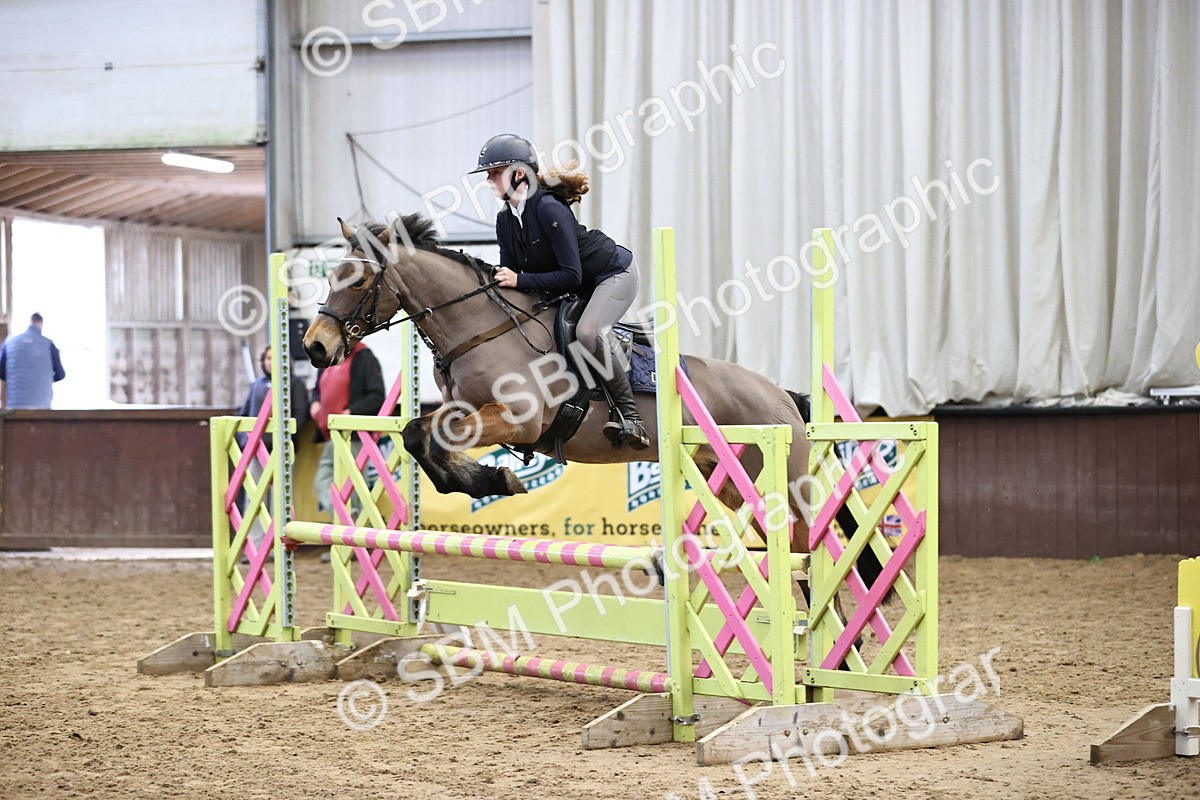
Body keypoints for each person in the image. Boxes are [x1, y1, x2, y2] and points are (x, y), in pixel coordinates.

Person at [469, 134, 649, 449]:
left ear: (519, 173)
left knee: (589, 332)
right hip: (577, 283)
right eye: (488, 174)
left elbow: (569, 274)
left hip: (612, 274)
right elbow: (512, 277)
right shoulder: (504, 220)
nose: (489, 180)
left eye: (495, 172)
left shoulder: (549, 209)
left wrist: (519, 281)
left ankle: (630, 416)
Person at [235, 346, 310, 553]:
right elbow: (244, 412)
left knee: (281, 499)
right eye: (267, 357)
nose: (270, 362)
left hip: (281, 452)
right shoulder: (256, 385)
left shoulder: (295, 384)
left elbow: (301, 415)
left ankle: (279, 547)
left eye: (274, 357)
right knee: (254, 499)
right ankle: (255, 548)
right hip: (255, 450)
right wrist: (244, 440)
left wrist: (286, 440)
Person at [310, 340, 386, 513]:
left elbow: (377, 395)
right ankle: (346, 516)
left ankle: (356, 524)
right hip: (330, 436)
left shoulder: (365, 358)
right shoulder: (327, 359)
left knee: (357, 487)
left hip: (355, 437)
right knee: (321, 482)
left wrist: (351, 412)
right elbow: (317, 390)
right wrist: (314, 403)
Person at [0, 313, 66, 409]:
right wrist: (45, 377)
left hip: (14, 408)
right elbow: (61, 374)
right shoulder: (49, 345)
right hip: (42, 407)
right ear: (41, 324)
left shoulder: (9, 343)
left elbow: (1, 373)